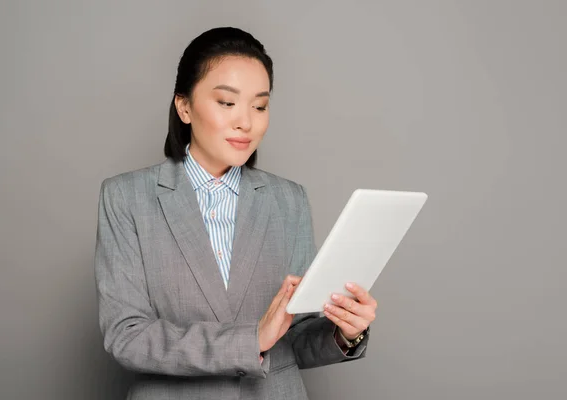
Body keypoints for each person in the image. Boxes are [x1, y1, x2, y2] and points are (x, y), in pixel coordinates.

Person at [94, 26, 378, 400]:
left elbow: (294, 339)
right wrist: (250, 339)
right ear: (184, 106)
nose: (246, 121)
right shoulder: (127, 197)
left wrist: (345, 331)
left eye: (259, 106)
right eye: (227, 103)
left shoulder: (288, 200)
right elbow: (127, 336)